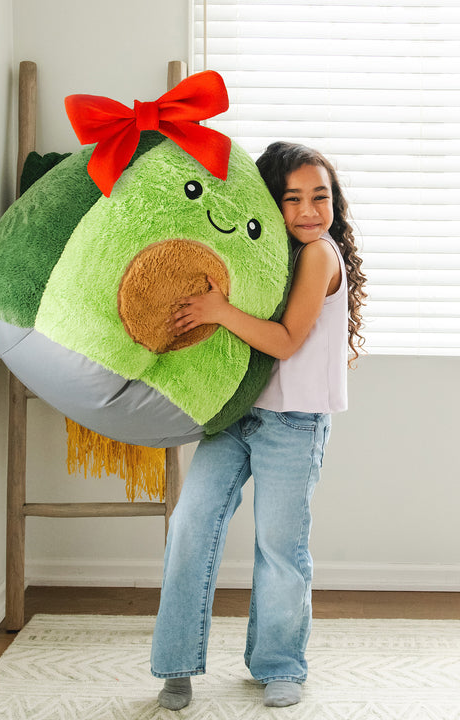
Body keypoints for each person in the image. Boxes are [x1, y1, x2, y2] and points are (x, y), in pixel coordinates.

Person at [150, 141, 367, 710]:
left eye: (320, 197)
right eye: (292, 198)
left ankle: (279, 665)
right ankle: (176, 664)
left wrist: (218, 309)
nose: (308, 210)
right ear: (272, 204)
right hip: (237, 414)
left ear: (334, 204)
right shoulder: (268, 252)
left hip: (294, 424)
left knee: (280, 547)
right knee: (191, 523)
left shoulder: (319, 254)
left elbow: (288, 342)